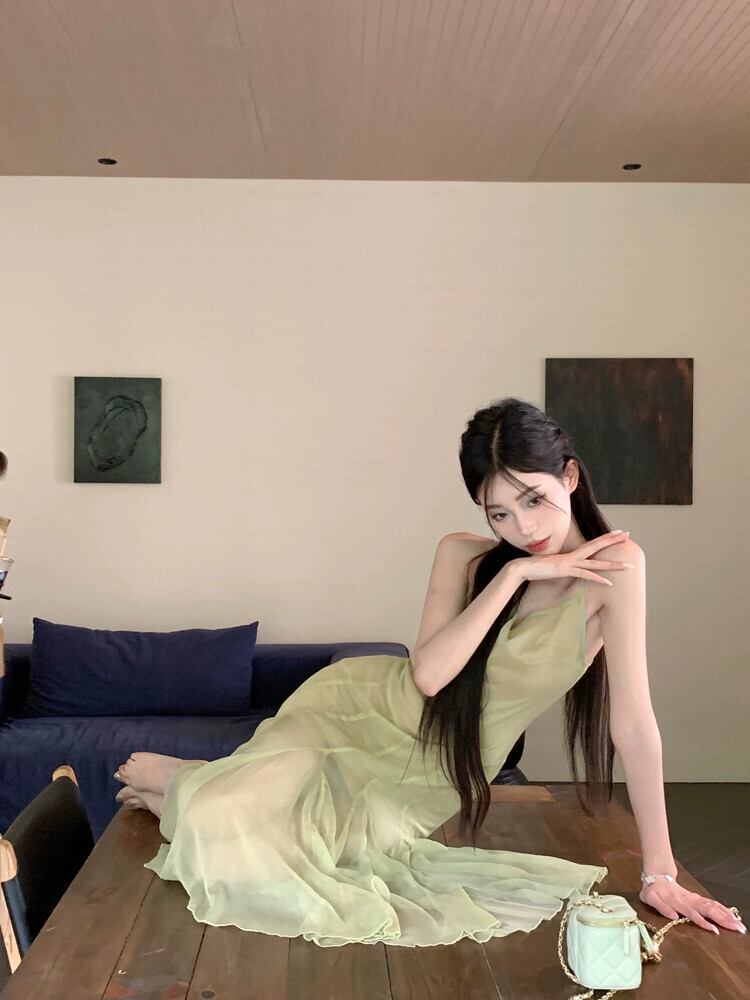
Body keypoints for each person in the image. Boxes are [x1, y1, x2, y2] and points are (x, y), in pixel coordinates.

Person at [113, 398, 745, 945]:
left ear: (570, 476)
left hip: (435, 764)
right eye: (499, 513)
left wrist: (660, 872)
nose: (524, 527)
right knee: (236, 837)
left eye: (534, 499)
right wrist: (517, 574)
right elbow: (428, 677)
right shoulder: (463, 555)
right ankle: (194, 787)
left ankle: (188, 783)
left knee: (285, 855)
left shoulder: (618, 567)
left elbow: (633, 724)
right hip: (356, 711)